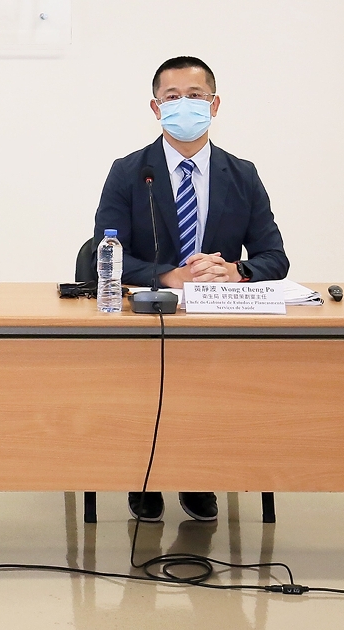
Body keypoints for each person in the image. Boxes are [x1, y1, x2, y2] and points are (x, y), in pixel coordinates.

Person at [94, 55, 288, 523]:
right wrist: (167, 275)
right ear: (156, 108)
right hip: (147, 317)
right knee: (145, 387)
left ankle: (198, 473)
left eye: (196, 96)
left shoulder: (242, 174)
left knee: (210, 391)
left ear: (214, 104)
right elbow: (106, 251)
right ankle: (144, 476)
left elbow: (275, 258)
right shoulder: (129, 171)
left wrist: (236, 271)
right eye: (173, 96)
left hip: (217, 319)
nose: (185, 104)